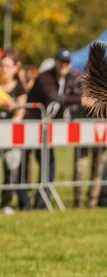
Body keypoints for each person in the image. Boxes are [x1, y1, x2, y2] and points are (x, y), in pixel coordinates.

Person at [27, 48, 82, 208]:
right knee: (22, 164)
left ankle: (41, 201)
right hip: (30, 125)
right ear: (56, 62)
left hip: (44, 130)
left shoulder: (71, 78)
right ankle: (25, 201)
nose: (63, 65)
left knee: (48, 163)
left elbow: (77, 94)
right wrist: (80, 100)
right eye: (61, 61)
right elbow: (54, 97)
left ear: (70, 64)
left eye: (66, 62)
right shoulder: (45, 77)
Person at [0, 49, 30, 215]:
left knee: (11, 168)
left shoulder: (20, 88)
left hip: (10, 133)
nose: (5, 69)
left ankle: (6, 202)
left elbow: (20, 112)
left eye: (8, 66)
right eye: (3, 65)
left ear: (16, 67)